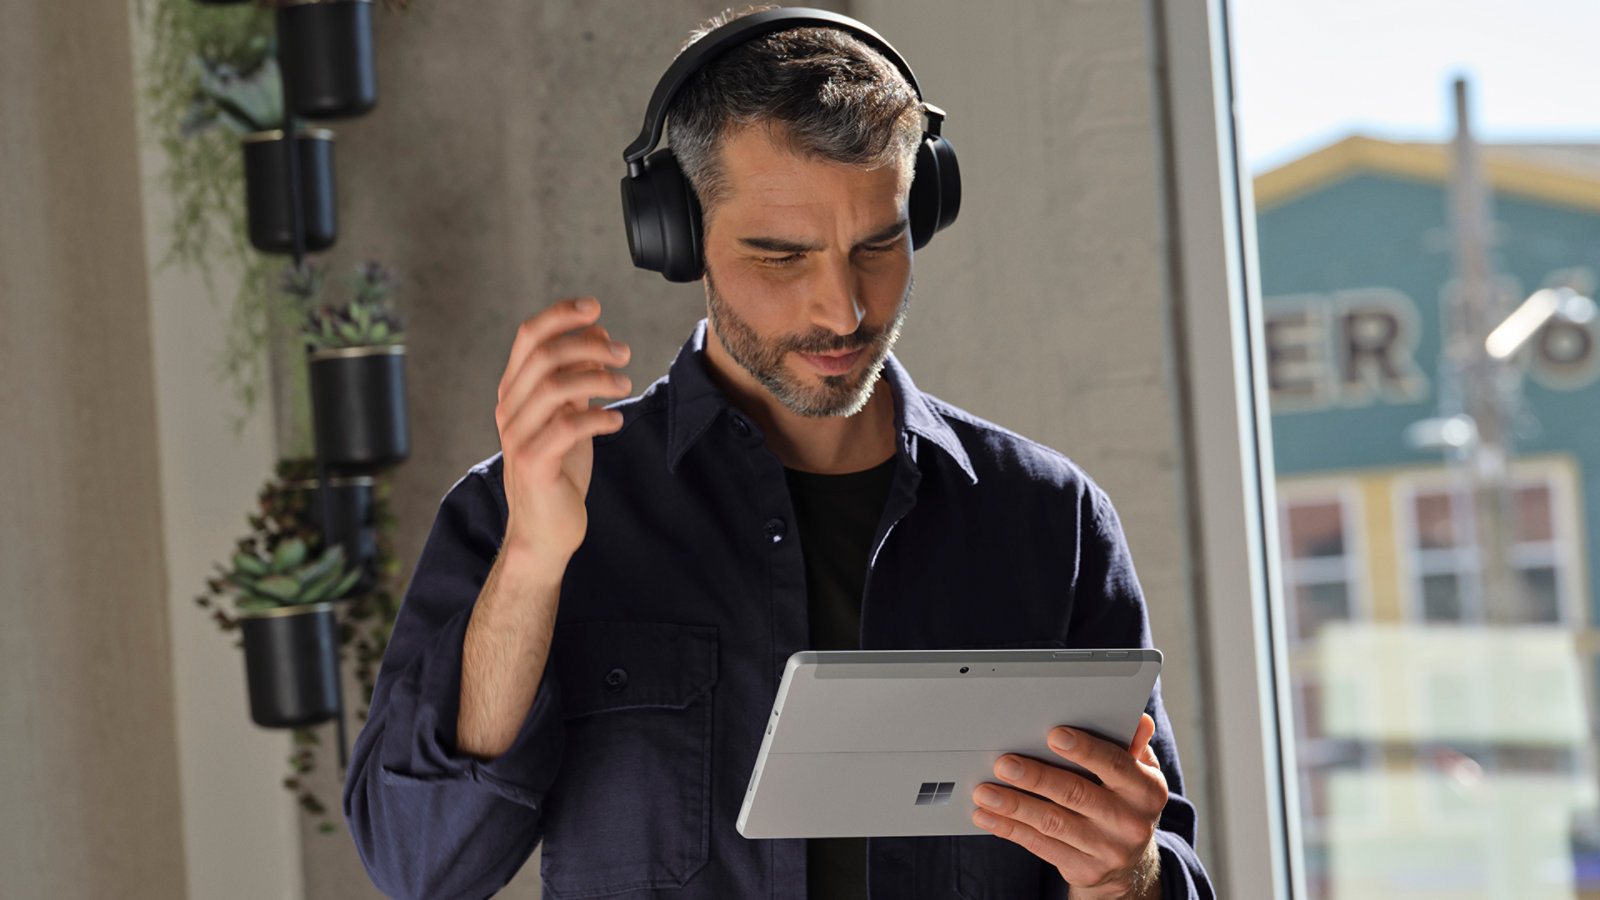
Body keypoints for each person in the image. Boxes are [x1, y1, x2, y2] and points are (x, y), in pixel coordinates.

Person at [343, 6, 1214, 900]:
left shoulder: (1050, 520)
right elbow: (420, 866)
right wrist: (532, 562)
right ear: (677, 236)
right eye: (781, 256)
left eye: (879, 244)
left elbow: (1160, 867)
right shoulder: (528, 511)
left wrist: (1129, 872)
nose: (842, 310)